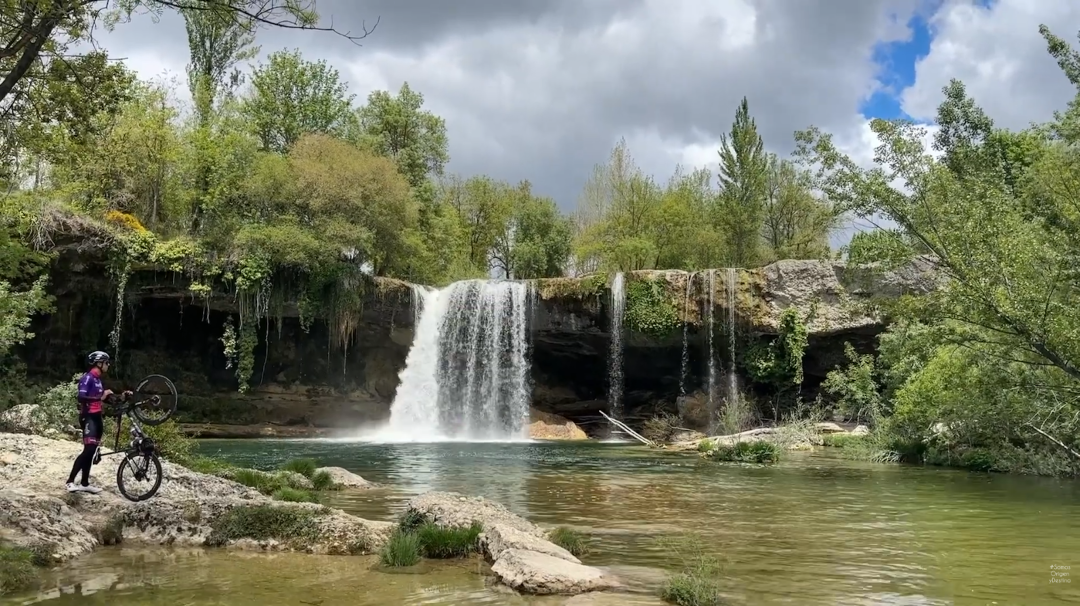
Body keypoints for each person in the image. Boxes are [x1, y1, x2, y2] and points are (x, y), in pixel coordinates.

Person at [65, 351, 115, 493]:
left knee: (92, 451)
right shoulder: (88, 378)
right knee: (88, 451)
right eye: (106, 362)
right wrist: (101, 396)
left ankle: (85, 483)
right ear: (99, 363)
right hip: (88, 417)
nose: (108, 365)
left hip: (97, 417)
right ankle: (70, 482)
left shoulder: (98, 380)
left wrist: (122, 397)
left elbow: (103, 398)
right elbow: (81, 397)